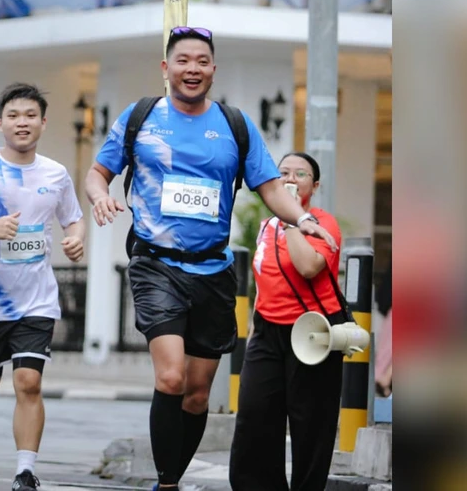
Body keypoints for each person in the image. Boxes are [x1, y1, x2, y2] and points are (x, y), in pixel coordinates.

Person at [83, 27, 338, 491]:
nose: (192, 69)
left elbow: (270, 188)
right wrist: (100, 197)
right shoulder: (141, 117)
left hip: (213, 270)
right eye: (183, 61)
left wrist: (302, 219)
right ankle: (166, 485)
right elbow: (97, 173)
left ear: (213, 70)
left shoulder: (235, 125)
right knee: (172, 376)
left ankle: (175, 475)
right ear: (166, 69)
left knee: (198, 394)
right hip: (156, 264)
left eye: (202, 61)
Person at [0, 83, 86, 491]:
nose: (22, 122)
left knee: (29, 382)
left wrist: (75, 237)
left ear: (42, 123)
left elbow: (73, 218)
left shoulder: (56, 174)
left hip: (37, 299)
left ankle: (25, 472)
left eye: (30, 116)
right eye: (14, 115)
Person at [229, 152, 346, 491]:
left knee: (311, 425)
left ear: (315, 184)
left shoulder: (324, 224)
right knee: (255, 417)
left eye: (301, 174)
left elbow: (308, 266)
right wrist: (255, 326)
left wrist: (295, 220)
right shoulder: (266, 227)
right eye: (284, 173)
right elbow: (264, 277)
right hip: (267, 333)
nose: (291, 179)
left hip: (311, 334)